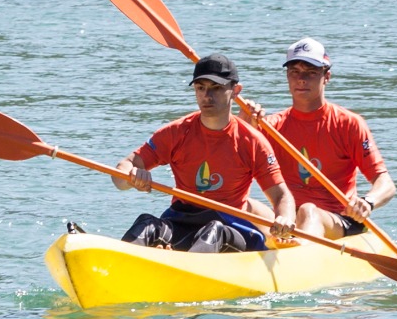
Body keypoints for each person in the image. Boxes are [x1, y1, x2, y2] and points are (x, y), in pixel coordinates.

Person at [111, 53, 295, 253]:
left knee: (213, 231)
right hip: (183, 221)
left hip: (229, 226)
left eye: (216, 88)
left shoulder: (252, 142)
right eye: (201, 88)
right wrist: (131, 176)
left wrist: (284, 218)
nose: (207, 96)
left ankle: (181, 269)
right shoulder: (176, 132)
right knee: (147, 223)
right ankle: (114, 265)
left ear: (235, 91)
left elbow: (281, 195)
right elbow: (122, 171)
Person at [246, 38, 397, 241]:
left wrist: (368, 202)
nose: (302, 79)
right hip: (288, 220)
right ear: (287, 77)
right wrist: (243, 125)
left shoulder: (349, 124)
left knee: (309, 210)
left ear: (327, 77)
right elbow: (230, 164)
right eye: (295, 72)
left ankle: (298, 256)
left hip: (339, 219)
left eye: (311, 72)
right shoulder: (270, 127)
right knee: (242, 204)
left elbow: (385, 182)